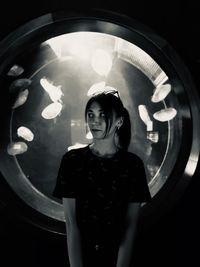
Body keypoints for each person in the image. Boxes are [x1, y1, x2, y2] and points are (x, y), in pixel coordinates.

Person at [53, 90, 151, 267]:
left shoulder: (133, 165)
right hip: (78, 257)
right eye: (90, 114)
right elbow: (70, 222)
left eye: (103, 115)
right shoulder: (72, 160)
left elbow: (130, 225)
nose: (94, 121)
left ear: (119, 121)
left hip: (120, 257)